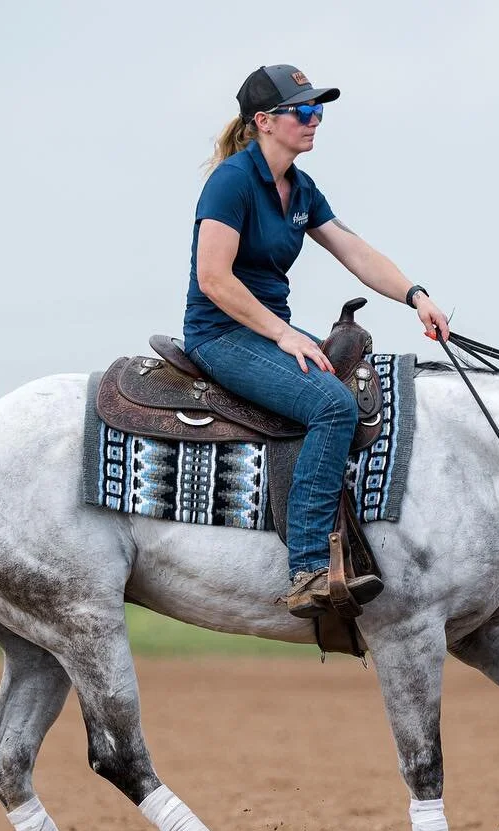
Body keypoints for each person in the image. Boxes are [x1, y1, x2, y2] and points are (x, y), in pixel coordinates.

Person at [183, 64, 451, 618]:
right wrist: (283, 334)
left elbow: (354, 251)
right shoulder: (231, 181)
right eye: (302, 111)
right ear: (263, 121)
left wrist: (415, 295)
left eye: (318, 111)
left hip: (265, 330)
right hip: (222, 333)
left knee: (363, 380)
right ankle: (308, 567)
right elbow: (214, 278)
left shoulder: (300, 187)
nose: (314, 121)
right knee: (332, 404)